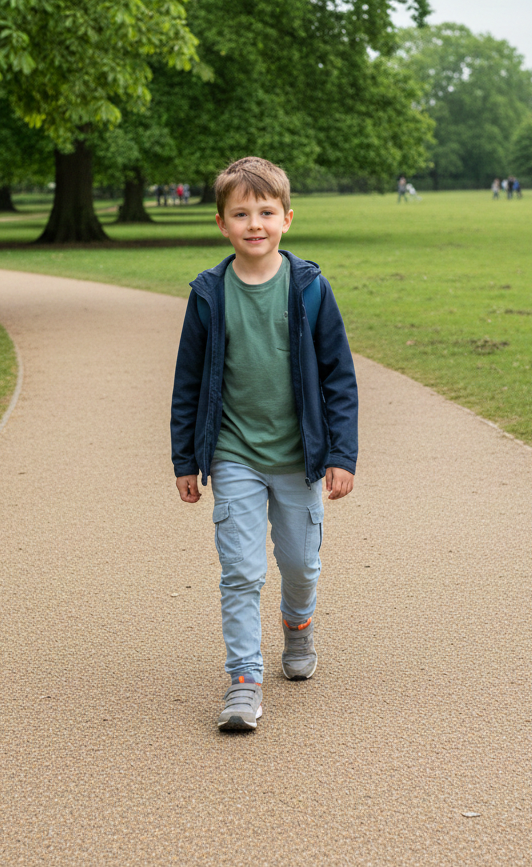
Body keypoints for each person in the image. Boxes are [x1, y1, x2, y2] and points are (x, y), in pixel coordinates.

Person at [171, 156, 358, 732]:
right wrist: (186, 458)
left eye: (267, 212)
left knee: (300, 564)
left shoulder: (309, 289)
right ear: (222, 224)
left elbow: (338, 374)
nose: (255, 223)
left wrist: (340, 454)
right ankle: (244, 680)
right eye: (241, 213)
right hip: (234, 455)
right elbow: (188, 381)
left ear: (287, 219)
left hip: (299, 456)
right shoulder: (208, 294)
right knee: (240, 570)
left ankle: (298, 624)